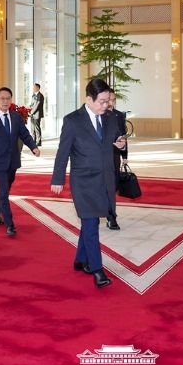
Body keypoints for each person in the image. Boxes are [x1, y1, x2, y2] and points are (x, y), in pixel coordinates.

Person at [51, 79, 127, 288]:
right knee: (92, 223)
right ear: (88, 99)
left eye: (108, 101)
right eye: (102, 101)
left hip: (105, 179)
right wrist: (57, 178)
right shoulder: (73, 121)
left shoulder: (110, 118)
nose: (106, 105)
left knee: (89, 222)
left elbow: (115, 140)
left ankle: (80, 259)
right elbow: (63, 152)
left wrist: (120, 145)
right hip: (83, 182)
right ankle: (97, 269)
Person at [0, 87, 40, 236]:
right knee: (4, 191)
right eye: (2, 98)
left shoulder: (16, 117)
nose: (5, 101)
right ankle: (10, 224)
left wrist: (33, 147)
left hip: (13, 161)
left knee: (4, 189)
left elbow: (24, 134)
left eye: (8, 99)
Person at [106, 88, 128, 230]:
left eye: (113, 100)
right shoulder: (98, 115)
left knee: (112, 187)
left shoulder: (119, 115)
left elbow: (123, 137)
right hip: (99, 158)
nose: (111, 103)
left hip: (114, 156)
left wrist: (124, 155)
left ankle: (111, 216)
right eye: (109, 100)